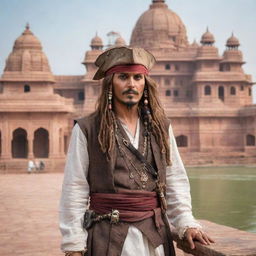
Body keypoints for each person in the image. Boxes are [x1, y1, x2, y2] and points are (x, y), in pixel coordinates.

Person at [59, 46, 214, 256]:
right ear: (110, 84)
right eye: (123, 77)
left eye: (137, 77)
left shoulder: (160, 127)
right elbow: (75, 188)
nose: (131, 84)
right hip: (107, 236)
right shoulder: (88, 128)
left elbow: (175, 178)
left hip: (155, 234)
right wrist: (73, 244)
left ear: (145, 84)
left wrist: (186, 222)